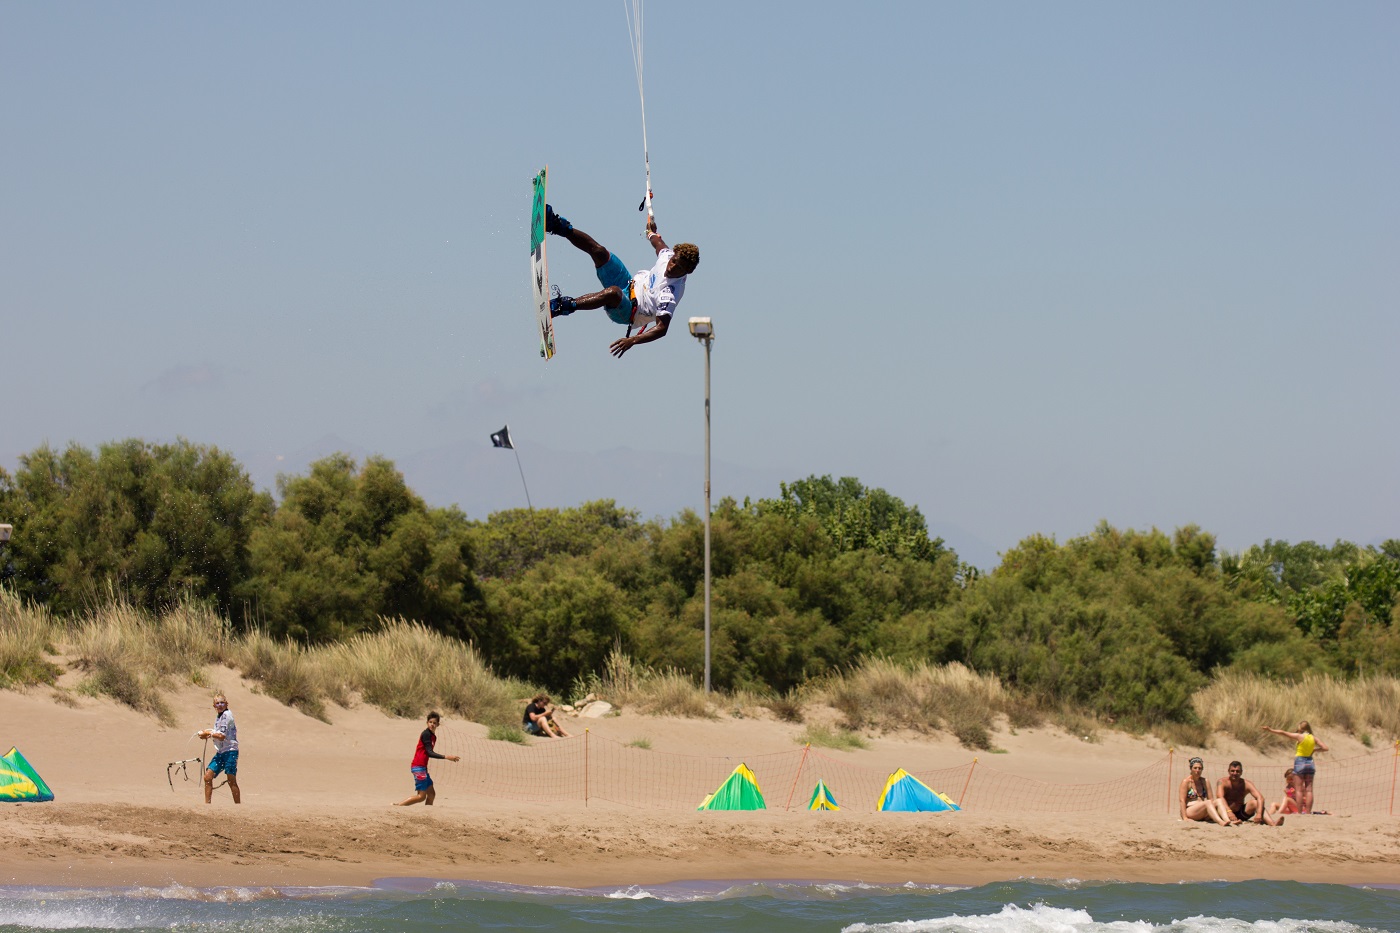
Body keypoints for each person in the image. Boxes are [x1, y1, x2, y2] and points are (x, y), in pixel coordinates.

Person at [545, 203, 699, 358]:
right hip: (628, 283)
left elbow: (662, 328)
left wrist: (632, 340)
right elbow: (657, 242)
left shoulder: (669, 294)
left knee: (613, 293)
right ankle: (556, 225)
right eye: (673, 261)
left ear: (687, 272)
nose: (672, 267)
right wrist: (651, 232)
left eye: (678, 268)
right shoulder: (667, 256)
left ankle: (561, 306)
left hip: (629, 312)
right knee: (600, 252)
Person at [394, 711, 460, 807]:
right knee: (421, 797)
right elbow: (429, 752)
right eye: (430, 722)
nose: (432, 724)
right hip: (418, 767)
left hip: (423, 768)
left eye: (434, 723)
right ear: (427, 723)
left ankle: (427, 813)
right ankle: (398, 806)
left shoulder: (433, 736)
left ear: (438, 724)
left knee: (431, 794)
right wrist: (446, 757)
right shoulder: (426, 734)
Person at [1262, 721, 1328, 814]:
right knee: (1309, 790)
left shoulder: (1299, 736)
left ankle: (1300, 812)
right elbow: (1325, 748)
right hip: (1310, 762)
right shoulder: (1314, 738)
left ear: (1301, 728)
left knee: (1299, 789)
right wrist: (1314, 750)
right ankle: (1308, 812)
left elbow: (1283, 733)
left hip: (1300, 762)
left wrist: (1271, 730)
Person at [198, 693, 240, 805]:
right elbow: (216, 734)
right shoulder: (219, 717)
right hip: (221, 752)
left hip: (231, 751)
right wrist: (205, 735)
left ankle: (238, 806)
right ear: (214, 706)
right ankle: (207, 805)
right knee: (208, 776)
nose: (220, 705)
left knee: (231, 780)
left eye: (222, 702)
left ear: (226, 704)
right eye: (217, 703)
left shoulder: (227, 715)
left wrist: (209, 733)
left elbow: (221, 736)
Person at [1215, 760, 1284, 825]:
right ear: (1228, 771)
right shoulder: (1222, 782)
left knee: (1255, 802)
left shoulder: (1246, 784)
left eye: (1237, 771)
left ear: (1241, 772)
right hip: (1225, 812)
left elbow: (1260, 797)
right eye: (1232, 771)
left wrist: (1259, 813)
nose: (1235, 773)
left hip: (1240, 813)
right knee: (1219, 801)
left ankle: (1272, 823)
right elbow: (1220, 797)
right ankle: (1230, 820)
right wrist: (1229, 812)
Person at [1178, 757, 1234, 825]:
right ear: (1191, 769)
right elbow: (1182, 800)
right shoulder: (1186, 782)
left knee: (1219, 800)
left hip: (1203, 810)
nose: (1197, 770)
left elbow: (1211, 799)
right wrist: (1184, 817)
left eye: (1200, 768)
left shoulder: (1205, 781)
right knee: (1207, 802)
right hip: (1190, 810)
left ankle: (1227, 820)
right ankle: (1220, 821)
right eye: (1195, 768)